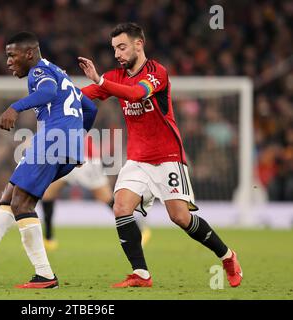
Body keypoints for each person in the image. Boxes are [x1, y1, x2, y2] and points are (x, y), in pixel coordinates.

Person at [78, 22, 242, 288]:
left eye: (122, 47)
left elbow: (135, 93)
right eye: (114, 49)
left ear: (138, 44)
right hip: (137, 159)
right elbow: (82, 95)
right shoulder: (114, 77)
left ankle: (227, 256)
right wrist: (52, 94)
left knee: (179, 217)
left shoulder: (157, 73)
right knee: (120, 207)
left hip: (167, 157)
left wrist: (100, 80)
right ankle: (141, 274)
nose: (117, 54)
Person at [0, 31, 98, 289]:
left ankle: (45, 275)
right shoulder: (61, 73)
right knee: (10, 195)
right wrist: (76, 140)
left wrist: (15, 107)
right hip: (64, 143)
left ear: (29, 54)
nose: (8, 62)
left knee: (22, 204)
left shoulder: (39, 73)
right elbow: (90, 108)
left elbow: (46, 93)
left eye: (12, 55)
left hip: (51, 140)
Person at [41, 136, 152, 251]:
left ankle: (138, 228)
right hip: (64, 155)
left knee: (106, 197)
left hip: (85, 157)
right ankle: (49, 239)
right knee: (48, 193)